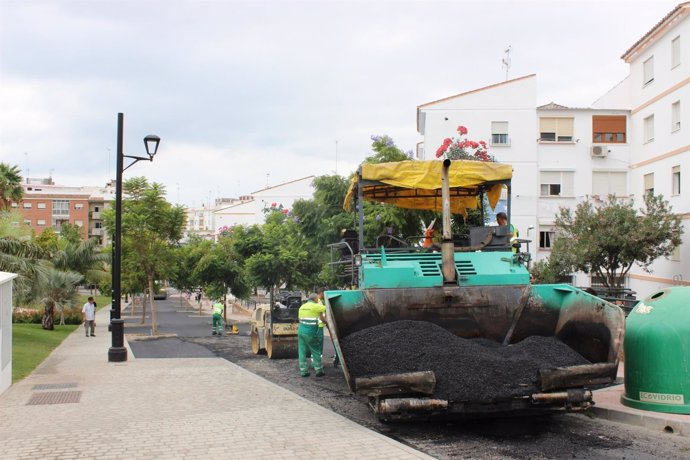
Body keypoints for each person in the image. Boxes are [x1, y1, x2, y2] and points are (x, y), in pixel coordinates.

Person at [298, 293, 327, 377]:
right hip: (310, 332)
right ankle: (318, 370)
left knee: (302, 351)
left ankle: (303, 371)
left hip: (301, 331)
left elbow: (300, 319)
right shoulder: (316, 306)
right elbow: (328, 308)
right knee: (316, 350)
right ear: (315, 299)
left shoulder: (302, 307)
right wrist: (327, 322)